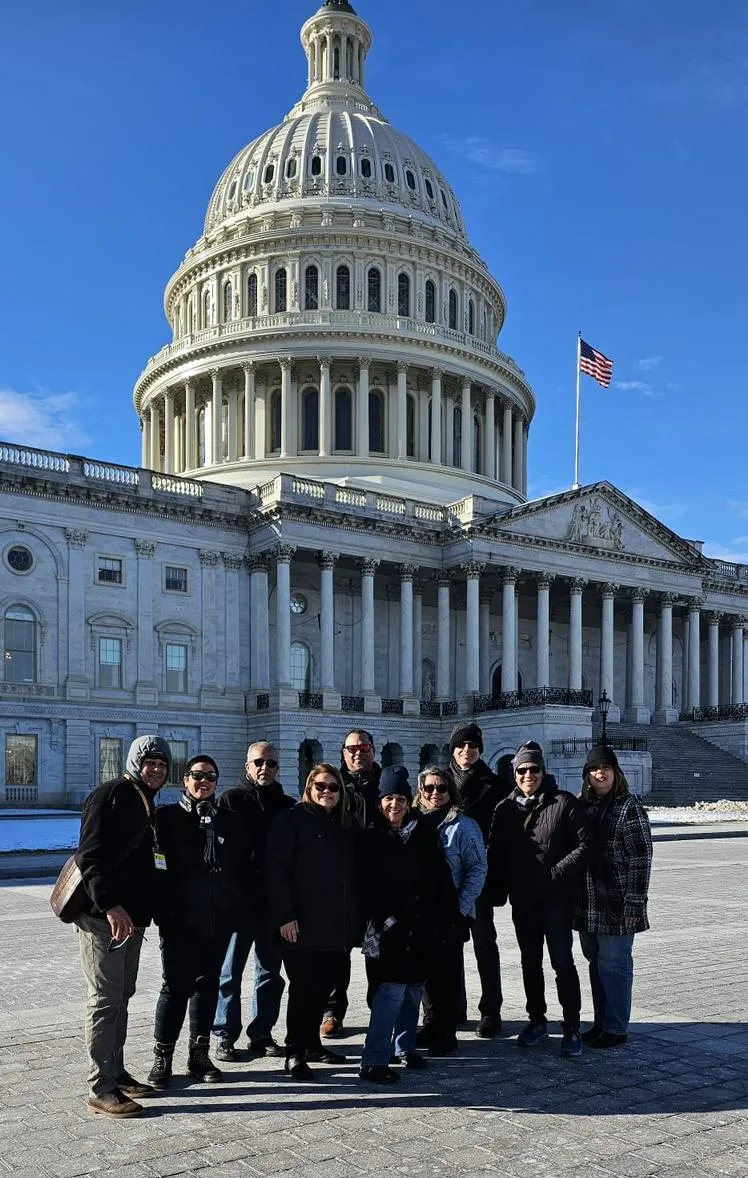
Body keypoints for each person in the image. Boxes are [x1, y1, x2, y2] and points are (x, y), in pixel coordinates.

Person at [74, 735, 171, 1118]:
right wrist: (110, 906)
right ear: (135, 763)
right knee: (104, 1000)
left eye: (163, 766)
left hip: (132, 921)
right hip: (105, 920)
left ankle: (116, 1072)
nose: (157, 770)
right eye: (151, 763)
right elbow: (89, 856)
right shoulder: (110, 795)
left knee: (122, 997)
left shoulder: (147, 801)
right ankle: (101, 1086)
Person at [147, 755, 256, 1087]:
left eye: (210, 776)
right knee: (175, 987)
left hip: (217, 921)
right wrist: (164, 909)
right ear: (185, 779)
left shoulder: (231, 821)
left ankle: (199, 1054)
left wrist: (234, 908)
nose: (203, 781)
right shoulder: (166, 818)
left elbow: (242, 870)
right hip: (179, 920)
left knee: (207, 987)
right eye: (197, 775)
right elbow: (156, 866)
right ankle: (162, 1057)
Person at [487, 740, 592, 1058]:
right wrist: (497, 890)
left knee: (562, 962)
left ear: (543, 772)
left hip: (556, 900)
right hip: (524, 901)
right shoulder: (505, 809)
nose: (528, 774)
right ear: (514, 774)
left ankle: (572, 1027)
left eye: (533, 769)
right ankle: (536, 1020)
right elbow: (497, 853)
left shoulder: (564, 803)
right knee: (529, 962)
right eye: (522, 770)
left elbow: (587, 845)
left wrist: (557, 873)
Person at [359, 766, 459, 1083]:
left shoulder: (423, 831)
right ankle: (373, 1059)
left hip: (421, 926)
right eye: (389, 798)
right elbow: (367, 888)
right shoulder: (371, 836)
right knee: (389, 991)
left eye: (400, 798)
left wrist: (446, 917)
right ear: (379, 802)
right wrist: (388, 921)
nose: (395, 805)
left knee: (414, 988)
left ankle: (404, 1046)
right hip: (385, 929)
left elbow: (441, 878)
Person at [265, 763, 360, 1080]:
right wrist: (284, 916)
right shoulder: (291, 820)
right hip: (300, 924)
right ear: (309, 787)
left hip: (335, 927)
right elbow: (275, 871)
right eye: (321, 786)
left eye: (334, 787)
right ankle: (294, 1051)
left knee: (323, 990)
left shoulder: (344, 824)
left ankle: (312, 1045)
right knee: (303, 989)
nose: (328, 792)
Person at [212, 741, 295, 1061]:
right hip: (237, 905)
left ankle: (261, 1032)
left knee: (270, 973)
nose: (265, 768)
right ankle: (223, 1033)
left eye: (271, 763)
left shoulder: (286, 805)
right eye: (259, 762)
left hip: (272, 905)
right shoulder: (230, 800)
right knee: (229, 973)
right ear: (247, 766)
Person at [574, 745, 653, 1049]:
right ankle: (600, 1022)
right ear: (587, 775)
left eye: (606, 768)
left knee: (616, 964)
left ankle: (617, 1026)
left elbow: (641, 858)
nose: (600, 773)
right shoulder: (583, 805)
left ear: (616, 773)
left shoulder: (628, 806)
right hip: (588, 902)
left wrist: (635, 903)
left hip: (617, 901)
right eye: (595, 769)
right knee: (596, 963)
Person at [414, 764, 487, 1053]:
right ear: (421, 791)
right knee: (426, 974)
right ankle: (430, 1024)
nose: (435, 793)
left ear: (450, 791)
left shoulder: (464, 825)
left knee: (447, 973)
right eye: (429, 788)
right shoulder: (416, 820)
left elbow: (477, 869)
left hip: (451, 912)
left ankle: (446, 1031)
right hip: (423, 911)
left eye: (441, 788)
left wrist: (460, 908)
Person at [448, 722, 510, 1038]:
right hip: (446, 880)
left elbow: (503, 839)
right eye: (461, 746)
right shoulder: (439, 783)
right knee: (449, 946)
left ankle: (490, 1010)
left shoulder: (496, 785)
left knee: (484, 944)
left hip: (479, 880)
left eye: (472, 746)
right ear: (453, 750)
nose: (467, 751)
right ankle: (454, 1007)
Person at [320, 729, 382, 1036]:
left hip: (374, 886)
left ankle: (379, 1009)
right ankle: (333, 1009)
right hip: (342, 886)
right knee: (338, 950)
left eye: (363, 746)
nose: (358, 752)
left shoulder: (387, 785)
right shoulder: (333, 786)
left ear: (373, 750)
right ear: (343, 753)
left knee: (376, 951)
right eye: (351, 748)